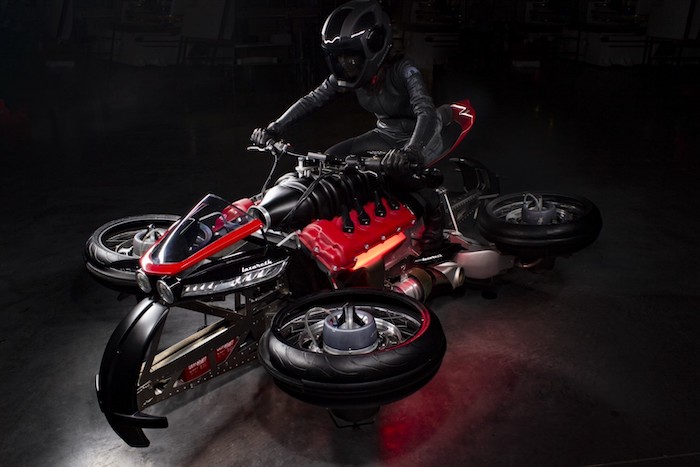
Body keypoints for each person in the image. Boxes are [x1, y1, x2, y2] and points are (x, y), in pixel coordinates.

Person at [251, 0, 447, 252]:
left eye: (351, 56)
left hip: (421, 135)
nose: (344, 63)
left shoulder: (404, 70)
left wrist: (412, 152)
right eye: (339, 57)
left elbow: (425, 110)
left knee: (400, 175)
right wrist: (275, 128)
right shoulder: (350, 77)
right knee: (330, 161)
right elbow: (313, 99)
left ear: (374, 47)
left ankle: (435, 212)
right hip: (386, 133)